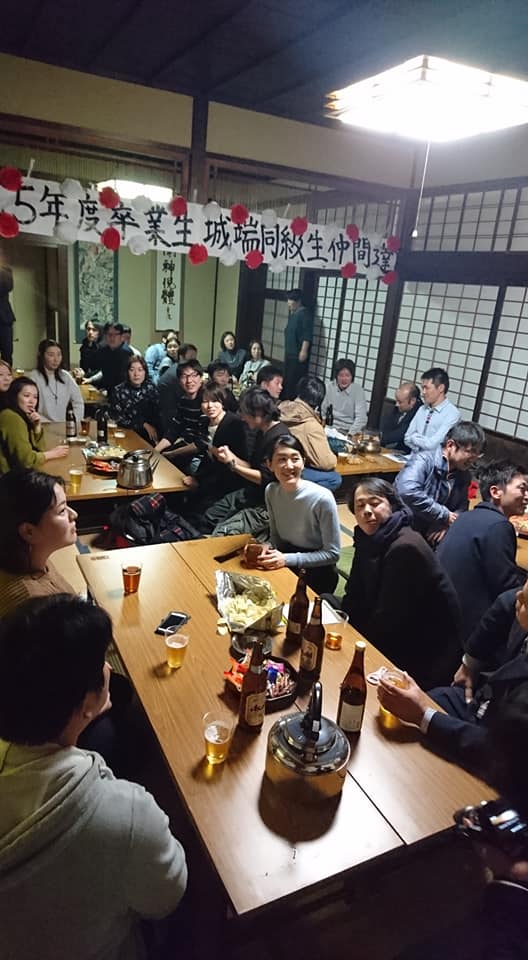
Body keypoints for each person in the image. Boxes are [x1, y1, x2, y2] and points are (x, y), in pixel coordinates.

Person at [0, 593, 188, 960]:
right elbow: (167, 895)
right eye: (102, 661)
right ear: (86, 703)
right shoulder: (127, 812)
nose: (106, 668)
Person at [377, 578, 528, 781]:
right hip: (482, 702)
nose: (518, 596)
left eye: (526, 601)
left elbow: (499, 753)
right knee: (430, 700)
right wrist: (470, 662)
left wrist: (423, 715)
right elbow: (506, 600)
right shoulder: (519, 606)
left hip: (499, 749)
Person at [340, 478, 462, 687]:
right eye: (360, 506)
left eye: (375, 503)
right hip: (386, 622)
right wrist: (345, 624)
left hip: (423, 648)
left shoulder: (405, 546)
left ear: (392, 505)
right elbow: (354, 589)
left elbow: (389, 618)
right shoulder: (368, 538)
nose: (367, 511)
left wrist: (354, 642)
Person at [437, 460, 528, 641]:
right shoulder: (498, 526)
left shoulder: (467, 516)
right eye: (522, 489)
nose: (526, 496)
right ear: (495, 492)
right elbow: (507, 588)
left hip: (442, 611)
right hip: (467, 628)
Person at [257, 433, 340, 594]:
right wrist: (268, 547)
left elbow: (332, 554)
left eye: (295, 459)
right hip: (285, 561)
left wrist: (286, 559)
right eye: (281, 459)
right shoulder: (271, 491)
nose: (289, 466)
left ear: (303, 462)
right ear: (269, 464)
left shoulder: (322, 498)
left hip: (316, 571)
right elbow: (276, 537)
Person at [200, 386, 285, 535]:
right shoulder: (262, 431)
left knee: (222, 532)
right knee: (209, 516)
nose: (242, 417)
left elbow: (265, 478)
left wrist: (233, 465)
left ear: (258, 412)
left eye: (244, 412)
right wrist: (230, 456)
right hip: (251, 493)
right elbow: (252, 466)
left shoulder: (279, 438)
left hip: (266, 504)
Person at [0, 468, 78, 618]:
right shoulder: (30, 603)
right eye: (62, 510)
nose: (74, 514)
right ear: (29, 532)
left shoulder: (33, 558)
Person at [394, 421, 486, 541]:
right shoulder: (423, 460)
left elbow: (462, 507)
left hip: (433, 528)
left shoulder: (463, 474)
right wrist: (443, 515)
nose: (473, 459)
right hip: (405, 523)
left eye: (477, 453)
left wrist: (448, 523)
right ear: (450, 445)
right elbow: (407, 491)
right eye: (470, 451)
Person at [183, 384, 248, 508]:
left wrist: (200, 483)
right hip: (211, 477)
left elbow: (233, 466)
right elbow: (207, 457)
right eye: (205, 401)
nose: (210, 406)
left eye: (214, 401)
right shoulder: (204, 422)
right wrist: (197, 478)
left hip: (230, 483)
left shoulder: (234, 424)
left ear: (222, 402)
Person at [279, 374, 341, 491]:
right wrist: (335, 456)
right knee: (334, 478)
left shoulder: (283, 408)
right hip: (291, 468)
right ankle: (298, 496)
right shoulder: (310, 424)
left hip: (278, 461)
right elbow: (326, 463)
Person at [0, 377, 68, 474]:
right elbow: (27, 461)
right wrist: (52, 454)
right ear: (14, 396)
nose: (32, 401)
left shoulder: (21, 416)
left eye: (35, 397)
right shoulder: (11, 418)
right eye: (26, 395)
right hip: (8, 479)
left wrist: (37, 427)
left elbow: (40, 450)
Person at [155, 359, 207, 469]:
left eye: (194, 375)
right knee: (157, 461)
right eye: (184, 376)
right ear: (179, 381)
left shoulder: (207, 402)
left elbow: (202, 443)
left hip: (203, 454)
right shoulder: (183, 400)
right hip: (186, 447)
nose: (189, 380)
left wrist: (173, 453)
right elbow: (174, 430)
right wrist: (155, 451)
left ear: (201, 378)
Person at [404, 367, 460, 453]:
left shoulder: (452, 413)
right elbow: (407, 438)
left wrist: (414, 438)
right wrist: (420, 446)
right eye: (422, 388)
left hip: (433, 460)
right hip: (413, 457)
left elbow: (433, 445)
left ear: (441, 388)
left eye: (426, 388)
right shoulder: (422, 409)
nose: (423, 392)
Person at [29, 338, 84, 424]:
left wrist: (74, 422)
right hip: (42, 425)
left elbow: (78, 402)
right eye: (51, 355)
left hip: (64, 426)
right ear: (42, 356)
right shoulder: (34, 377)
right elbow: (29, 406)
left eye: (59, 355)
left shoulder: (65, 376)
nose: (56, 359)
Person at [108, 355, 160, 444]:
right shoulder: (119, 390)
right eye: (132, 370)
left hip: (150, 435)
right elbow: (117, 417)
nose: (136, 374)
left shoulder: (151, 388)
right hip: (125, 434)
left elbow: (158, 413)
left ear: (145, 372)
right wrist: (143, 424)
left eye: (140, 370)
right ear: (127, 372)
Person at [321, 358, 368, 435]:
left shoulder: (358, 390)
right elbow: (322, 411)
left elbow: (361, 418)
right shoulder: (329, 387)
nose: (344, 379)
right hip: (329, 427)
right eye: (341, 375)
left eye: (347, 375)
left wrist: (350, 434)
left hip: (348, 429)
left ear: (352, 376)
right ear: (336, 376)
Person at [83, 323, 133, 394]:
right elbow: (103, 371)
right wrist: (90, 379)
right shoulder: (104, 350)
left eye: (115, 334)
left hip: (125, 393)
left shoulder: (126, 352)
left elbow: (127, 379)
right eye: (109, 334)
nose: (112, 337)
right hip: (108, 390)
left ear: (122, 336)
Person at [158, 343, 198, 430]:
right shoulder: (177, 374)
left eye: (195, 357)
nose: (194, 361)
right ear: (181, 357)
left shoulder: (180, 369)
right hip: (171, 416)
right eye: (191, 357)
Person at [284, 288, 313, 399]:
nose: (288, 303)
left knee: (293, 381)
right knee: (287, 380)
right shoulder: (294, 314)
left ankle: (292, 403)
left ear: (298, 301)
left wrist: (304, 350)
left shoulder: (304, 314)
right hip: (290, 353)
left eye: (291, 300)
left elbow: (307, 334)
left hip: (297, 354)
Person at [380, 382, 422, 453]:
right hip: (391, 446)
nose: (396, 404)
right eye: (396, 400)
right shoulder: (400, 407)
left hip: (407, 451)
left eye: (400, 402)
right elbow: (388, 426)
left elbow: (401, 433)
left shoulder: (420, 412)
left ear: (412, 401)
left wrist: (379, 438)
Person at [0, 250, 16, 366]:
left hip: (4, 318)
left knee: (7, 352)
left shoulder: (6, 271)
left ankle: (7, 375)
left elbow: (7, 286)